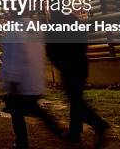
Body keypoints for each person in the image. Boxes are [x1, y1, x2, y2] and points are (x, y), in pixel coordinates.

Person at [46, 12, 109, 145]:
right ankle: (75, 133)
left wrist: (59, 63)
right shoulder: (73, 20)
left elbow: (51, 49)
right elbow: (84, 41)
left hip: (68, 67)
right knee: (76, 99)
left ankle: (97, 124)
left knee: (75, 100)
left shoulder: (53, 25)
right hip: (80, 64)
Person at [1, 31, 63, 149]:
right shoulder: (34, 29)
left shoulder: (16, 31)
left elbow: (17, 56)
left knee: (18, 112)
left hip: (21, 82)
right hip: (32, 80)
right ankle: (57, 130)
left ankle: (22, 143)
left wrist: (12, 79)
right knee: (34, 109)